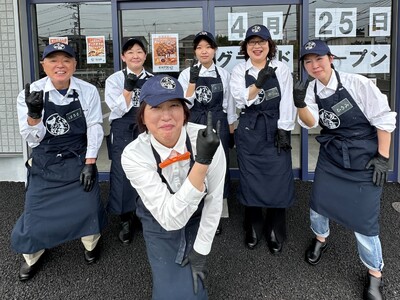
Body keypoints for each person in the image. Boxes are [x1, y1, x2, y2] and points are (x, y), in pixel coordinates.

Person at [294, 39, 396, 300]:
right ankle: (321, 239)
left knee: (365, 219)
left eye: (319, 59)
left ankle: (375, 273)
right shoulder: (310, 91)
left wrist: (383, 157)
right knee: (318, 204)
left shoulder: (358, 84)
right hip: (333, 156)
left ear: (331, 58)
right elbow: (312, 122)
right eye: (308, 62)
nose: (314, 66)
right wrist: (300, 104)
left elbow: (384, 119)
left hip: (364, 156)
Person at [121, 74, 225, 299]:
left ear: (185, 112)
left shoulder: (207, 139)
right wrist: (202, 162)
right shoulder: (133, 154)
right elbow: (170, 219)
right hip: (159, 224)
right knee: (172, 293)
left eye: (174, 106)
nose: (166, 116)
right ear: (143, 115)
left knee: (196, 289)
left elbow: (214, 200)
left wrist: (201, 249)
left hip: (197, 219)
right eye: (156, 107)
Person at [11, 42, 107, 281]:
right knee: (35, 214)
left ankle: (91, 244)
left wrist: (90, 162)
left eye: (66, 59)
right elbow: (32, 140)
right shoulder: (30, 93)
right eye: (53, 60)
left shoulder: (87, 91)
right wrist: (34, 115)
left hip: (78, 157)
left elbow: (95, 127)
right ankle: (32, 255)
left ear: (75, 64)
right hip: (45, 161)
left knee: (88, 206)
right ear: (44, 65)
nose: (60, 65)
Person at [230, 24, 296, 253]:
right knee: (251, 179)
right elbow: (241, 101)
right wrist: (258, 83)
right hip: (250, 129)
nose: (257, 46)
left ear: (270, 46)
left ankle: (275, 229)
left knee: (278, 178)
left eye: (262, 42)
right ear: (246, 47)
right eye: (252, 42)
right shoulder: (240, 71)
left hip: (275, 126)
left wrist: (284, 128)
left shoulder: (282, 68)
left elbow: (287, 99)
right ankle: (253, 225)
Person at [178, 31, 237, 231]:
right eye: (199, 47)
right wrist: (192, 83)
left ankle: (217, 210)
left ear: (214, 50)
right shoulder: (186, 74)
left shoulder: (224, 74)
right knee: (195, 165)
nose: (204, 51)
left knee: (219, 166)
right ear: (195, 52)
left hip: (218, 121)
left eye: (208, 47)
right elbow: (184, 105)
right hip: (195, 122)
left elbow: (229, 105)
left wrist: (231, 131)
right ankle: (196, 206)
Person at [105, 38, 153, 244]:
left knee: (148, 169)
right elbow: (115, 109)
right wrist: (127, 89)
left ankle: (144, 213)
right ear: (123, 57)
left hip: (145, 129)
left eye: (139, 51)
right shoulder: (114, 80)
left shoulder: (152, 79)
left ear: (145, 55)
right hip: (123, 128)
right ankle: (125, 219)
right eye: (130, 52)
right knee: (123, 172)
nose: (135, 55)